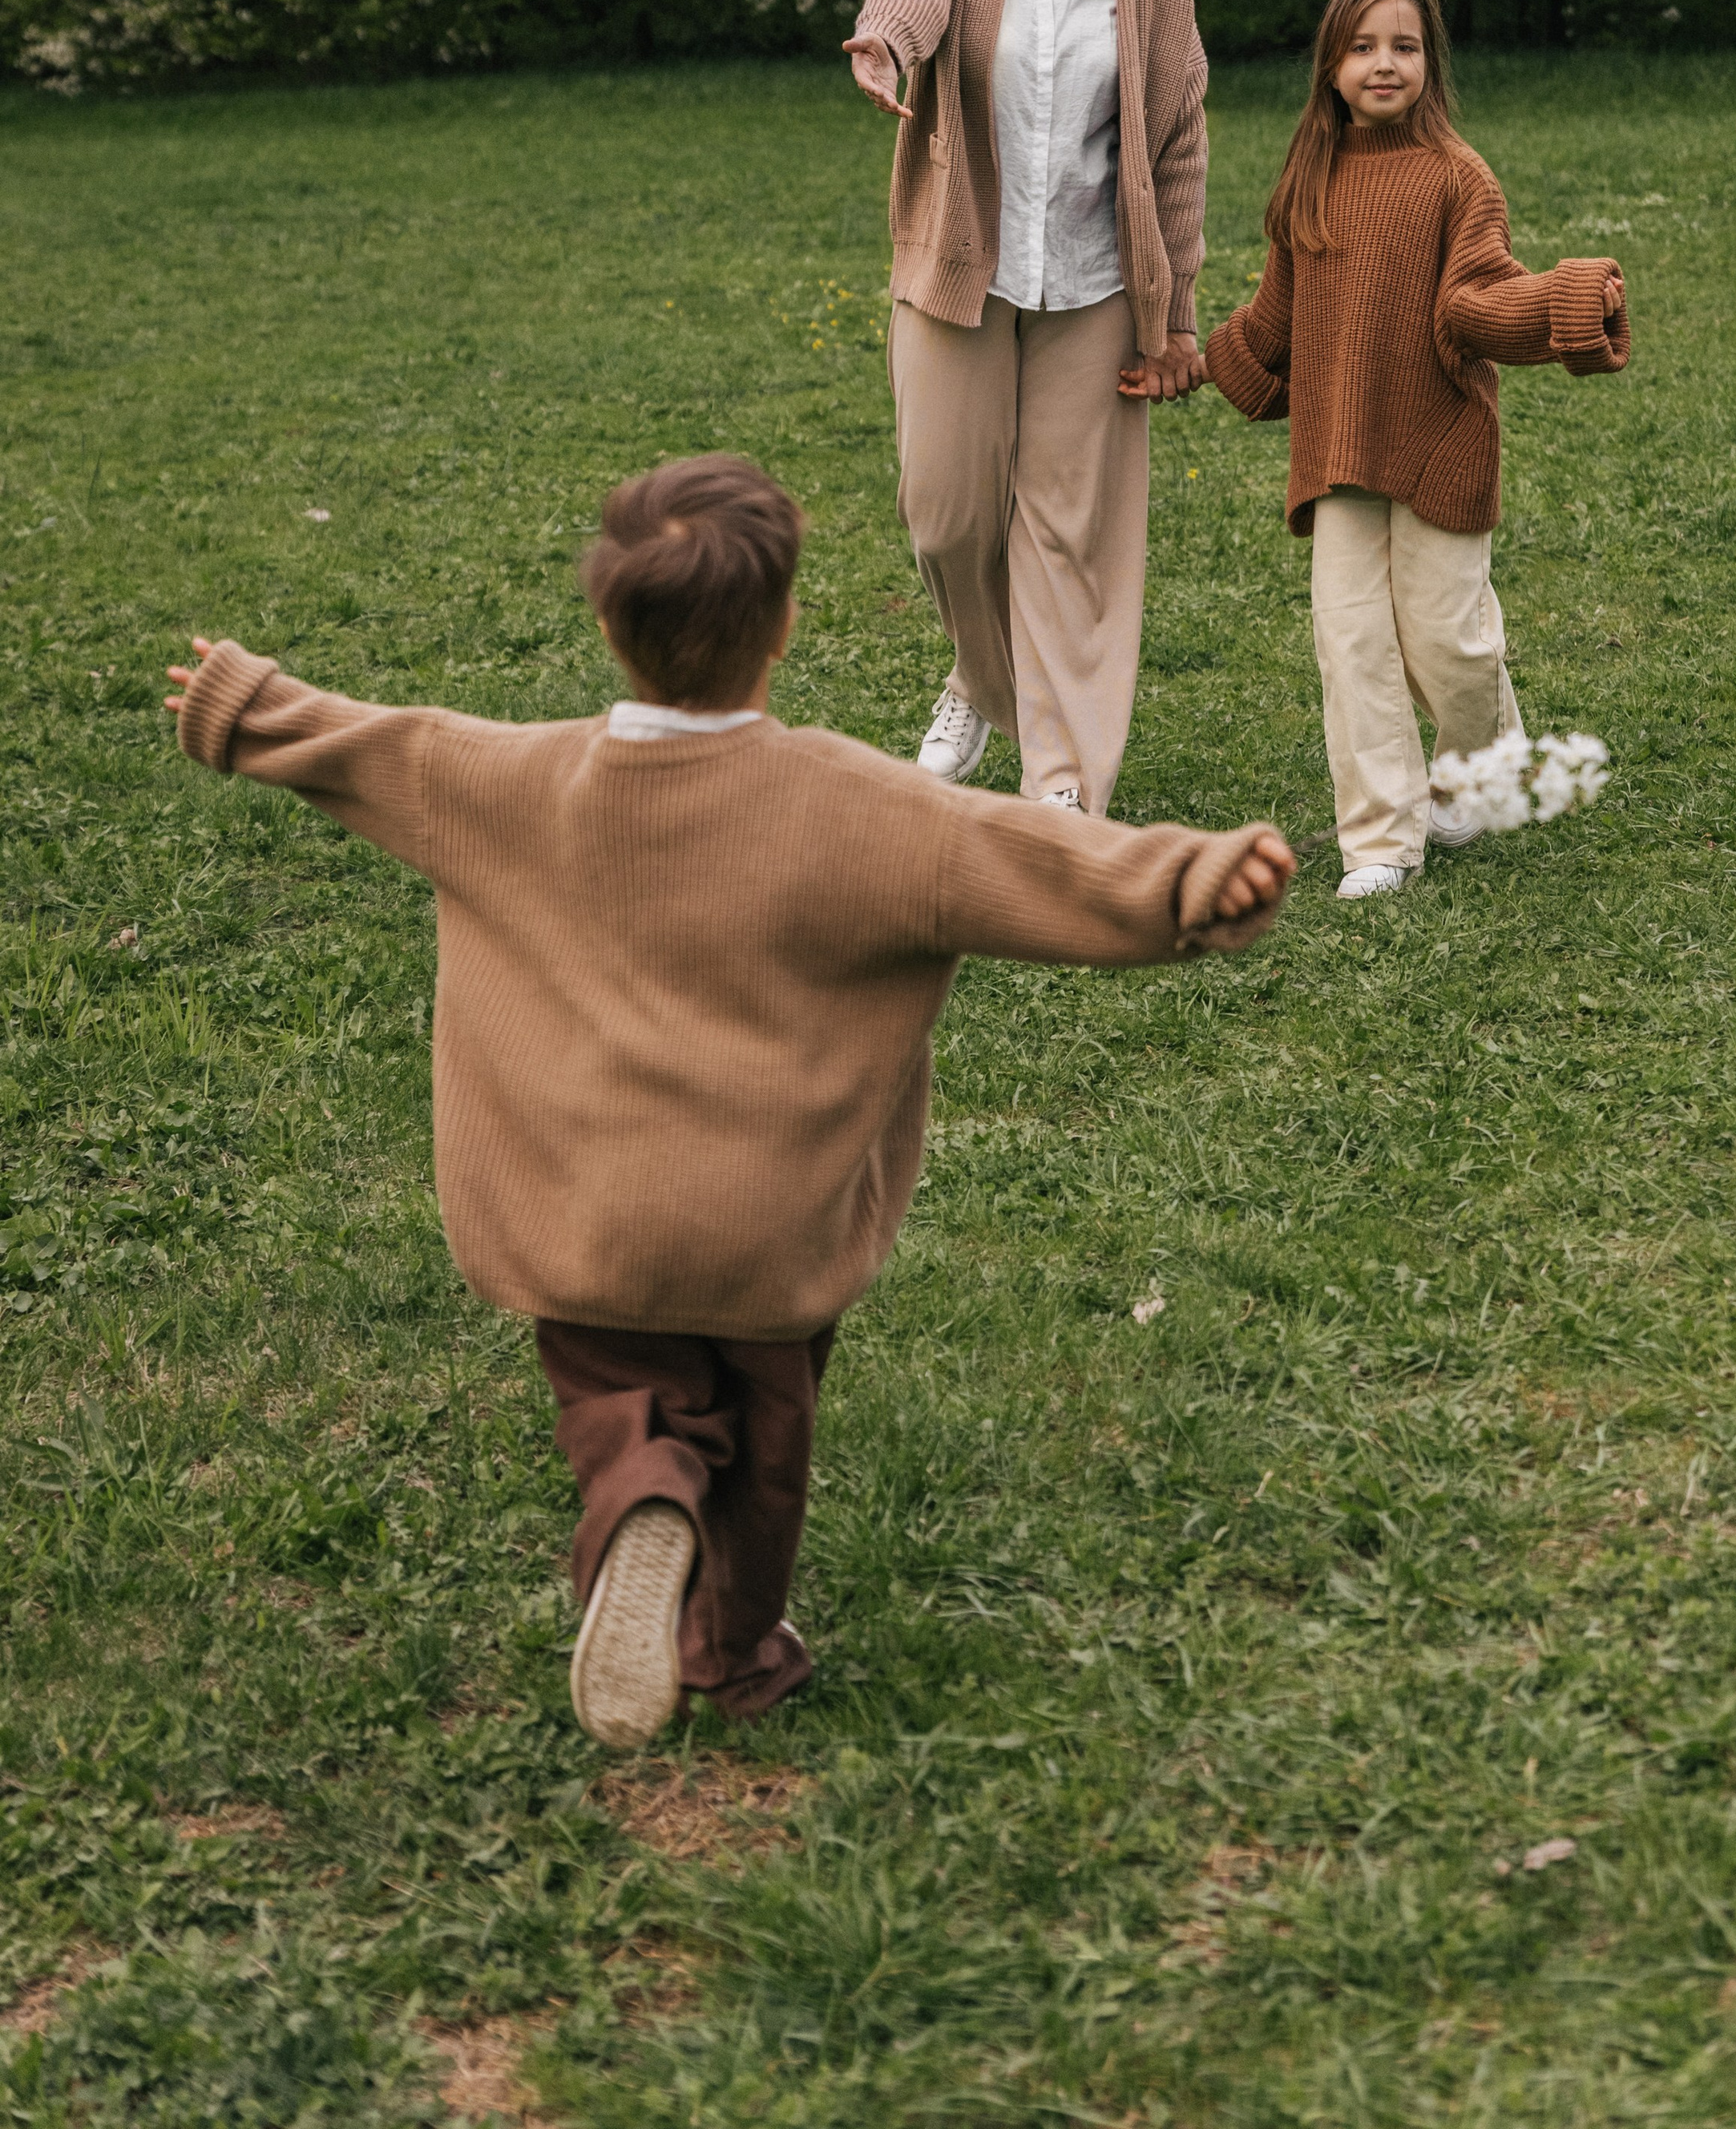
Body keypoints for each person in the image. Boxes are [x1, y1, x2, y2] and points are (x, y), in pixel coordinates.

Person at [164, 454, 1294, 1745]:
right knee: (763, 1454)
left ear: (605, 624)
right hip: (771, 1229)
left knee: (620, 1401)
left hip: (588, 1225)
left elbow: (364, 744)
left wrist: (241, 705)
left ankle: (644, 1489)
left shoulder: (496, 778)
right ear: (787, 627)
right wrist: (1192, 881)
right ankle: (737, 1647)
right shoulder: (872, 810)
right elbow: (1042, 860)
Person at [1201, 0, 1629, 901]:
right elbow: (1277, 321)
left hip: (1438, 440)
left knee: (1450, 645)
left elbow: (1477, 297)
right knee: (1350, 643)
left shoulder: (1455, 176)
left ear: (1430, 63)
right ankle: (1381, 842)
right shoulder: (1308, 177)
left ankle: (1480, 763)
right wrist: (1195, 361)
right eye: (1362, 47)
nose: (1383, 64)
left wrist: (1561, 301)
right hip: (1337, 449)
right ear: (1330, 66)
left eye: (1403, 46)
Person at [845, 0, 1209, 818]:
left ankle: (1064, 784)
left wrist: (1177, 318)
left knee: (1071, 538)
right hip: (965, 270)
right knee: (946, 517)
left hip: (1097, 288)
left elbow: (1177, 141)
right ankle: (982, 674)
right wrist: (883, 43)